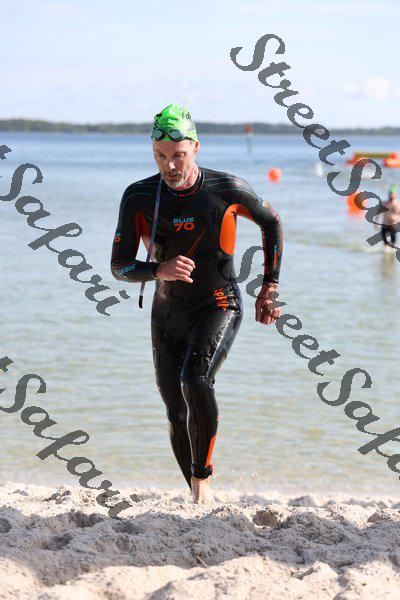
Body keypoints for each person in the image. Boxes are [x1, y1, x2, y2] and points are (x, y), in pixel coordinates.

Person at [111, 103, 283, 503]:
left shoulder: (227, 189)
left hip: (218, 301)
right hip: (167, 310)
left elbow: (272, 222)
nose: (170, 166)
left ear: (196, 148)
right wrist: (159, 270)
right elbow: (120, 266)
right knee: (175, 410)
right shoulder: (139, 196)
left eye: (179, 155)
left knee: (196, 379)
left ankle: (202, 480)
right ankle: (194, 492)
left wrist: (269, 288)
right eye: (160, 156)